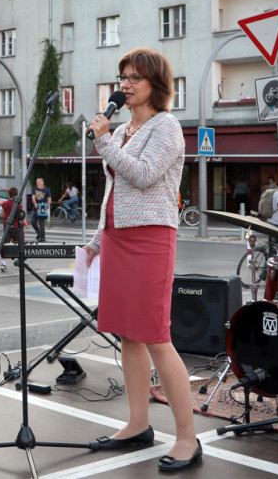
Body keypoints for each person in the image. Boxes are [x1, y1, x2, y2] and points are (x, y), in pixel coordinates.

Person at [83, 47, 200, 471]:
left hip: (151, 239)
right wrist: (97, 240)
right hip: (117, 238)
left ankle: (187, 438)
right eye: (123, 77)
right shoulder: (124, 130)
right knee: (127, 335)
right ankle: (137, 424)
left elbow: (144, 175)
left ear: (156, 85)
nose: (125, 85)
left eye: (134, 78)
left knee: (155, 336)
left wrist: (103, 142)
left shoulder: (166, 126)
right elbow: (116, 192)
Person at [0, 186, 22, 272]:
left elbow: (2, 216)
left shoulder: (5, 204)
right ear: (17, 195)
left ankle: (3, 263)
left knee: (5, 244)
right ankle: (19, 261)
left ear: (9, 195)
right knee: (19, 244)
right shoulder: (18, 205)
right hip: (16, 226)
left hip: (7, 226)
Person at [30, 178, 51, 242]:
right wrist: (35, 204)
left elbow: (49, 198)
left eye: (39, 182)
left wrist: (48, 205)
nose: (37, 183)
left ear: (42, 183)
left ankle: (43, 237)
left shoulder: (47, 190)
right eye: (37, 182)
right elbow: (33, 198)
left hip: (43, 208)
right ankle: (39, 233)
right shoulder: (35, 189)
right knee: (33, 222)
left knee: (41, 223)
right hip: (35, 208)